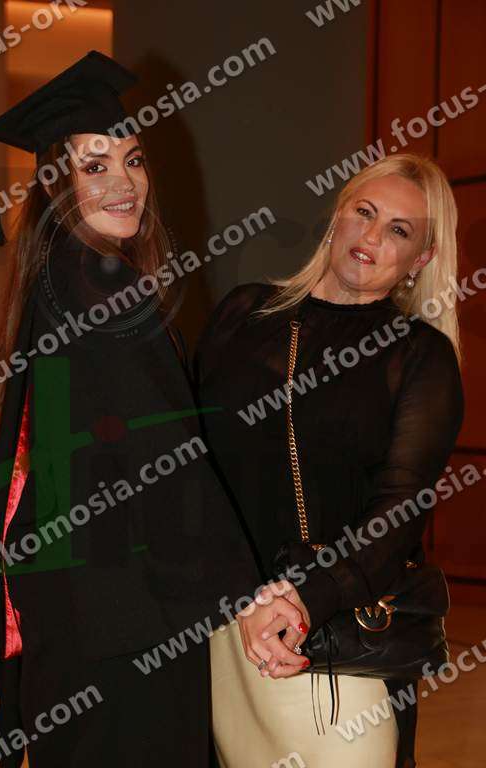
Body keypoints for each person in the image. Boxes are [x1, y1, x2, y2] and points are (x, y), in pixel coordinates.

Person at [0, 51, 279, 768]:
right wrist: (249, 594)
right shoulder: (102, 282)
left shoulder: (51, 276)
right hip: (126, 616)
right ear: (57, 184)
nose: (124, 181)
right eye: (95, 165)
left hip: (70, 605)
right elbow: (165, 456)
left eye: (133, 159)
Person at [195, 153, 464, 768]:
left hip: (335, 638)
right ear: (337, 216)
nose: (372, 236)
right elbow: (192, 464)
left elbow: (399, 512)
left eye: (399, 229)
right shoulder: (244, 313)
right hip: (223, 626)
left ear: (420, 258)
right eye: (363, 212)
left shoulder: (419, 357)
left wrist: (302, 600)